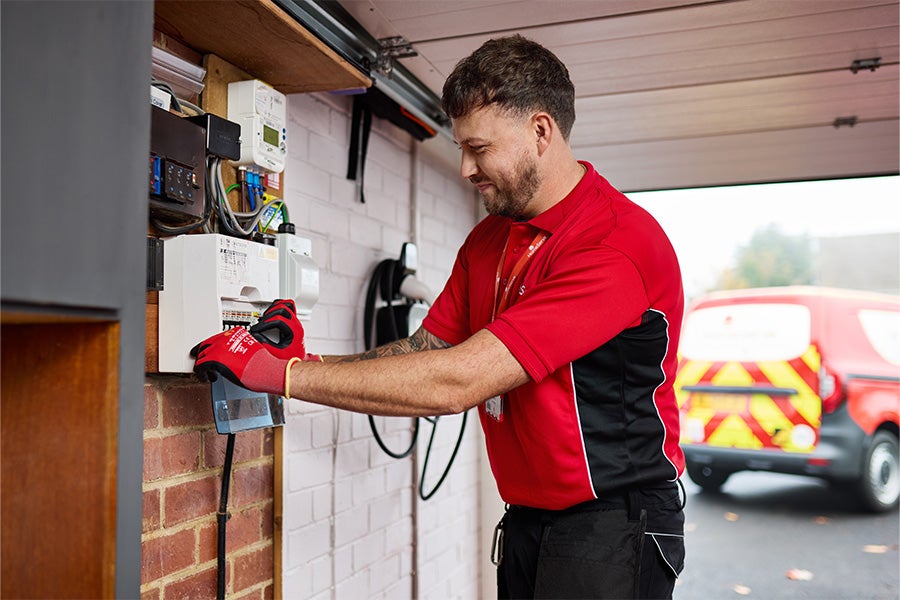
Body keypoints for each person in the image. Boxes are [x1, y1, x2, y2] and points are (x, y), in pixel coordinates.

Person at [192, 34, 686, 599]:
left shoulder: (613, 245)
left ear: (541, 132)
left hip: (616, 522)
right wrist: (304, 360)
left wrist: (279, 376)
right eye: (461, 148)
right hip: (529, 516)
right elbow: (428, 351)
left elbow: (458, 381)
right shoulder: (488, 240)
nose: (464, 168)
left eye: (479, 148)